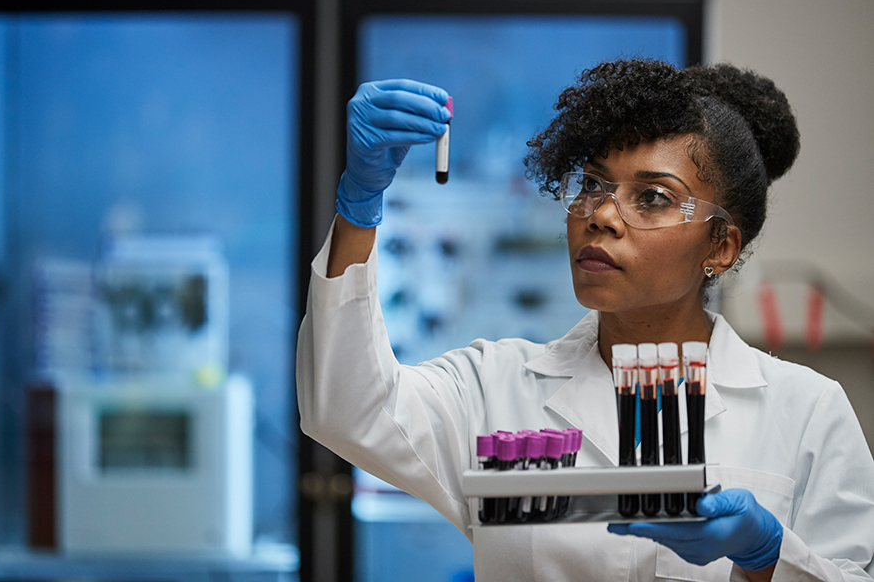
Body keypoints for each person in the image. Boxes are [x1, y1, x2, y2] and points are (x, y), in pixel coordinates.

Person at [296, 59, 874, 581]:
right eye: (593, 184)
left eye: (652, 197)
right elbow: (348, 408)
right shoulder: (494, 388)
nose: (599, 214)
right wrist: (358, 206)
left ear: (720, 246)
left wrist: (769, 557)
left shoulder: (807, 413)